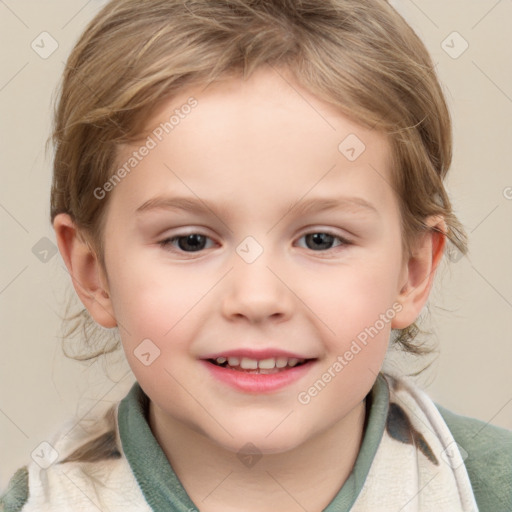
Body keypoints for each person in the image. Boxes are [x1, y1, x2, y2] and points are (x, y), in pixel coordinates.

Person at [1, 0, 511, 510]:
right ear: (95, 274)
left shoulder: (489, 489)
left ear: (412, 272)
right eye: (190, 241)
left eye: (321, 240)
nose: (258, 297)